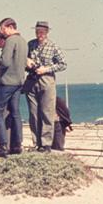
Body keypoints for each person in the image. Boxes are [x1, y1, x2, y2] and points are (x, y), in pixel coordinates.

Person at [0, 18, 28, 158]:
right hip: (18, 82)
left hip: (6, 82)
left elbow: (4, 61)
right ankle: (17, 145)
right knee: (15, 113)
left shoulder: (10, 41)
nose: (2, 32)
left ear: (10, 27)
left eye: (3, 29)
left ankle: (3, 146)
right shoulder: (23, 41)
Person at [25, 21, 67, 152]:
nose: (39, 34)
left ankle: (46, 143)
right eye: (37, 31)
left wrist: (46, 69)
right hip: (32, 80)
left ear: (47, 32)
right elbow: (24, 59)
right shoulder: (30, 44)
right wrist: (28, 63)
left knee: (47, 112)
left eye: (42, 32)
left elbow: (63, 64)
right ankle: (36, 143)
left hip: (47, 80)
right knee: (33, 113)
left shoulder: (53, 46)